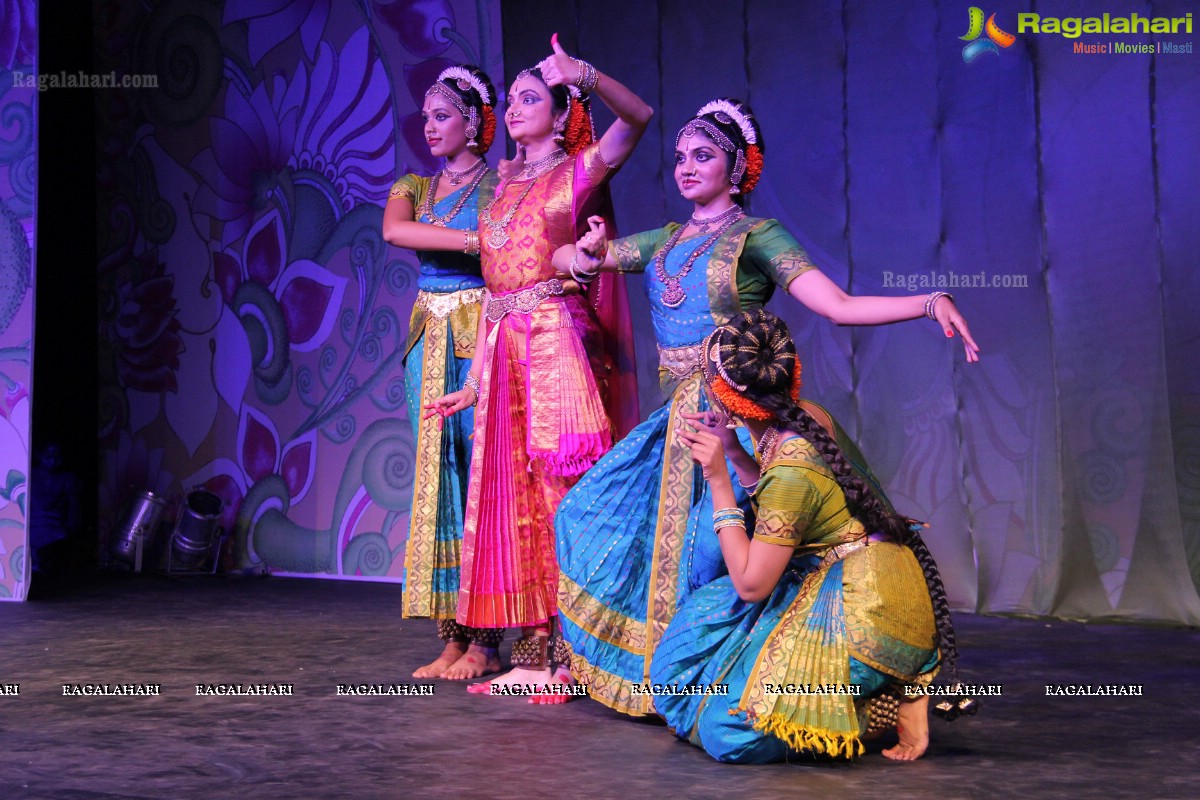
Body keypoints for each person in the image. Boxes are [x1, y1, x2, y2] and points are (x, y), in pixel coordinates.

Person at [554, 98, 977, 716]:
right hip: (676, 419)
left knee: (714, 557)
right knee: (589, 515)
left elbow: (837, 304)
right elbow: (572, 260)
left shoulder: (756, 236)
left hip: (737, 420)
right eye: (679, 158)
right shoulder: (668, 240)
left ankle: (750, 686)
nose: (687, 167)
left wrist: (928, 301)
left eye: (704, 156)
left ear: (738, 166)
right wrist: (586, 250)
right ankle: (674, 681)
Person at [423, 36, 651, 697]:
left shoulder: (576, 170)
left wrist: (588, 73)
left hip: (552, 343)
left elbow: (637, 119)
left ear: (559, 114)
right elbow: (498, 288)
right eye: (514, 98)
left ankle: (576, 659)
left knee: (559, 499)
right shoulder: (501, 182)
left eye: (532, 99)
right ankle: (531, 654)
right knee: (513, 501)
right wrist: (471, 382)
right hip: (501, 351)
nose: (517, 109)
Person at [650, 308, 945, 763]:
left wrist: (718, 479)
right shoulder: (806, 417)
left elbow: (752, 586)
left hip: (866, 608)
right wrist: (733, 448)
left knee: (725, 731)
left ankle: (876, 706)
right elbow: (782, 506)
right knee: (678, 673)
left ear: (723, 397)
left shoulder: (793, 463)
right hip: (829, 574)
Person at [382, 64, 504, 680]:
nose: (428, 127)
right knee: (437, 478)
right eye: (425, 116)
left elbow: (517, 248)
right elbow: (396, 230)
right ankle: (451, 636)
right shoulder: (413, 185)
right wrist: (482, 240)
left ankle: (485, 638)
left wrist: (476, 240)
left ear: (475, 123)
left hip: (482, 331)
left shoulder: (502, 184)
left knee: (481, 469)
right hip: (429, 337)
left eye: (442, 116)